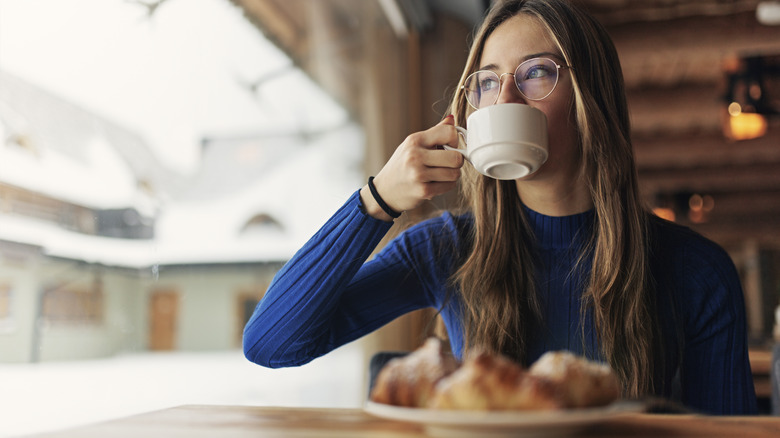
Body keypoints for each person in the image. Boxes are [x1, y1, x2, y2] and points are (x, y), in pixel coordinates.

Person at [243, 0, 757, 415]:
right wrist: (376, 200)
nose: (504, 97)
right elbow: (272, 343)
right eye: (487, 81)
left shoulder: (695, 270)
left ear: (590, 100)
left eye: (534, 73)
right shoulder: (446, 248)